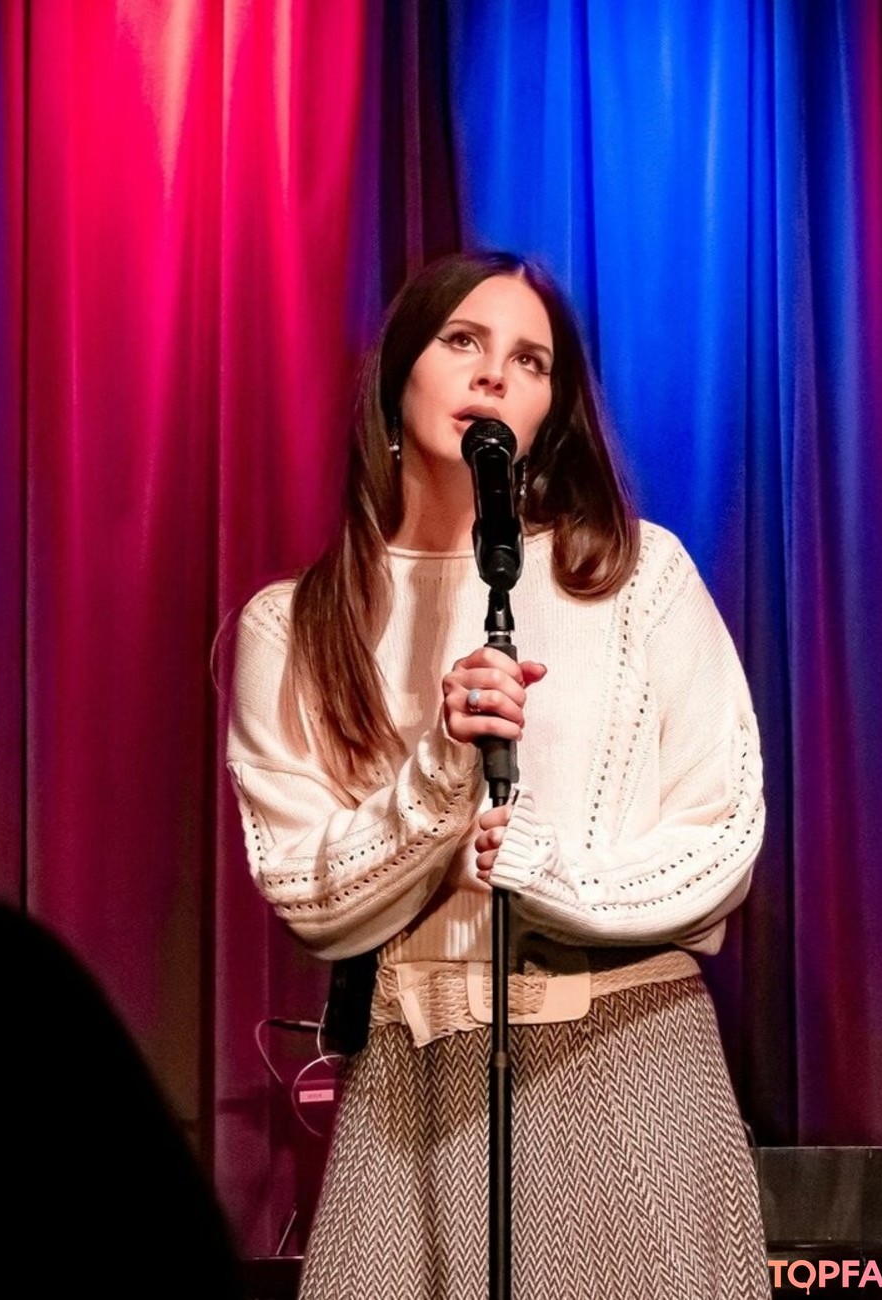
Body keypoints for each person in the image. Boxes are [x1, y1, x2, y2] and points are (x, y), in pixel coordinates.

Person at [226, 250, 769, 1298]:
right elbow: (304, 888)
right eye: (463, 341)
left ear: (551, 411)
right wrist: (439, 774)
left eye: (531, 360)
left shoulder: (638, 577)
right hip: (412, 1084)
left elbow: (724, 830)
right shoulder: (291, 626)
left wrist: (559, 876)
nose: (494, 374)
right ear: (398, 378)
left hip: (629, 1058)